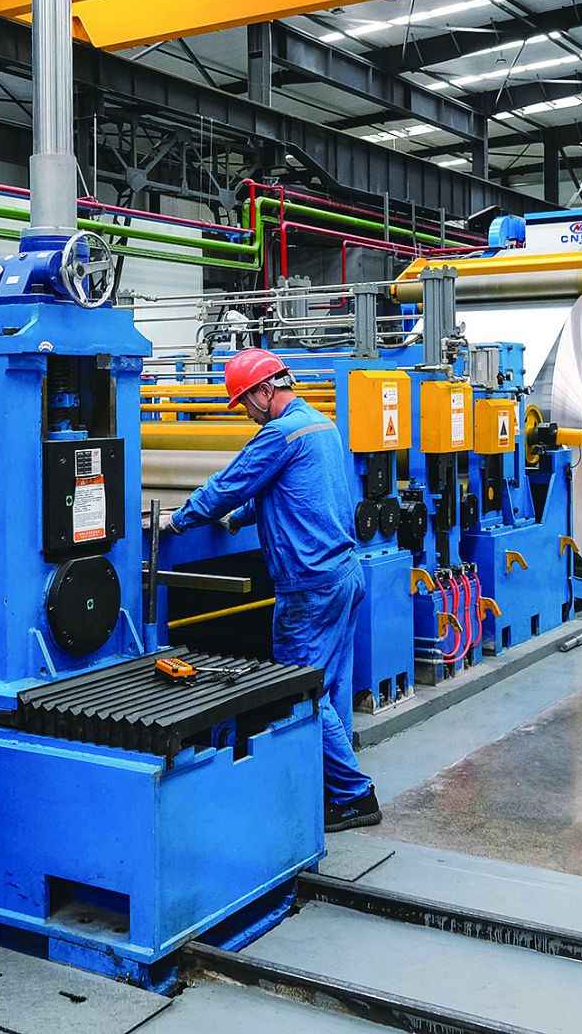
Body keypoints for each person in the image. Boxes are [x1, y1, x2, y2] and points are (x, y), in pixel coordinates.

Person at [164, 349, 380, 832]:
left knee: (303, 691)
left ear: (265, 391)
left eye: (245, 402)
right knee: (331, 686)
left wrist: (179, 520)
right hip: (343, 575)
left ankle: (354, 796)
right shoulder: (321, 425)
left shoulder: (279, 434)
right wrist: (239, 518)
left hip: (310, 587)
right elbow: (283, 492)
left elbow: (230, 484)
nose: (245, 412)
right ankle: (329, 784)